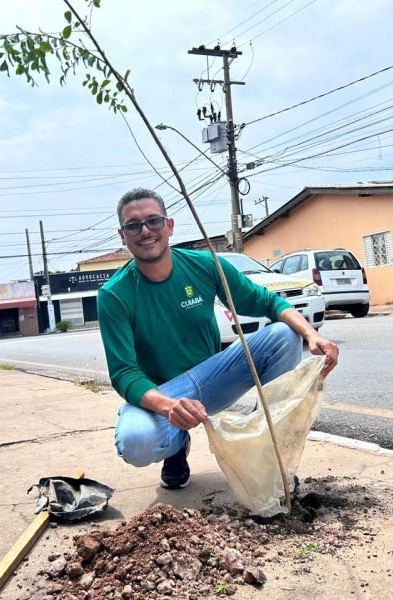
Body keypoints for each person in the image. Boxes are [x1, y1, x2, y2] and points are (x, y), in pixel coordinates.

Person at [98, 188, 339, 489]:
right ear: (123, 235)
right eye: (133, 225)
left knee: (284, 335)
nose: (145, 231)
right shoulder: (114, 295)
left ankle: (264, 440)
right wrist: (168, 406)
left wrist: (311, 334)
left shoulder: (204, 265)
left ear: (169, 226)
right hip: (167, 393)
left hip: (214, 376)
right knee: (135, 442)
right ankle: (176, 446)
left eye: (153, 221)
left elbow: (267, 302)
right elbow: (124, 373)